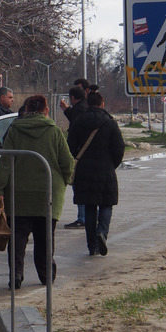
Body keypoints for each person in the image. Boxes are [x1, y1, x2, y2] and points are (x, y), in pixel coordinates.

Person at [0, 95, 75, 289]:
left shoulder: (15, 130)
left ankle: (16, 275)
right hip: (48, 194)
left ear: (27, 109)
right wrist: (64, 180)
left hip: (18, 193)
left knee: (18, 240)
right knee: (45, 238)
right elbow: (67, 161)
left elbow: (6, 162)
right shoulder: (54, 131)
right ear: (46, 110)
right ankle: (46, 275)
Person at [67, 91, 125, 256]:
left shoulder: (78, 121)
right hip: (106, 169)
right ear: (102, 103)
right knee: (107, 204)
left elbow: (70, 146)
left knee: (89, 206)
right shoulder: (110, 123)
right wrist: (112, 164)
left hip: (84, 170)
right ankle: (102, 232)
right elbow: (119, 148)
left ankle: (92, 246)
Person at [58, 84, 88, 230]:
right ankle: (86, 216)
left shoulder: (78, 110)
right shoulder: (86, 108)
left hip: (78, 154)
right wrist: (67, 110)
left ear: (73, 98)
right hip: (87, 153)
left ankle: (82, 217)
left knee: (79, 186)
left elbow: (75, 131)